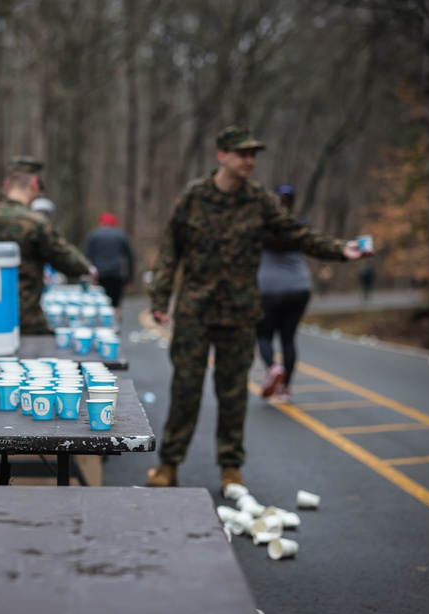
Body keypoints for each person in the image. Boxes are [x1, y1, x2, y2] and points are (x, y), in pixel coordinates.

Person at [146, 125, 371, 491]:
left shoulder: (258, 200)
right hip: (195, 313)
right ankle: (169, 464)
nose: (250, 160)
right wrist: (159, 299)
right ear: (222, 156)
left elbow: (295, 233)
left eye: (254, 154)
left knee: (233, 393)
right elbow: (171, 250)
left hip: (238, 314)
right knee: (186, 389)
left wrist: (340, 249)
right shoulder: (193, 197)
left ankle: (231, 467)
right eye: (242, 154)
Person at [0, 155, 96, 335]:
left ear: (7, 185)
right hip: (26, 316)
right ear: (34, 183)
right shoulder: (35, 222)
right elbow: (62, 257)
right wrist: (86, 268)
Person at [256, 184, 313, 404]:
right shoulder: (301, 225)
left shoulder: (262, 225)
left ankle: (273, 367)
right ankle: (285, 388)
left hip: (269, 289)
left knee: (263, 335)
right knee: (288, 339)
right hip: (299, 287)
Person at [84, 211, 136, 309]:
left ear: (100, 223)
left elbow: (87, 257)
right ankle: (115, 322)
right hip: (116, 275)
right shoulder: (121, 236)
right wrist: (129, 279)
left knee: (97, 306)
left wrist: (88, 276)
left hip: (97, 276)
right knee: (114, 306)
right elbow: (130, 257)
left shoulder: (93, 236)